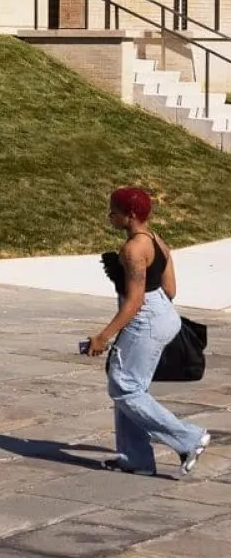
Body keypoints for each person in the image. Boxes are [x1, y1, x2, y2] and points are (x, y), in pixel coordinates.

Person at [85, 185, 209, 477]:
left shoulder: (132, 249)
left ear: (129, 215)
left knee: (124, 387)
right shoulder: (156, 239)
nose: (108, 216)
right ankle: (135, 459)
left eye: (113, 211)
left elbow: (135, 301)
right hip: (163, 314)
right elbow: (170, 289)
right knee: (130, 387)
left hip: (146, 319)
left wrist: (103, 337)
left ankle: (189, 438)